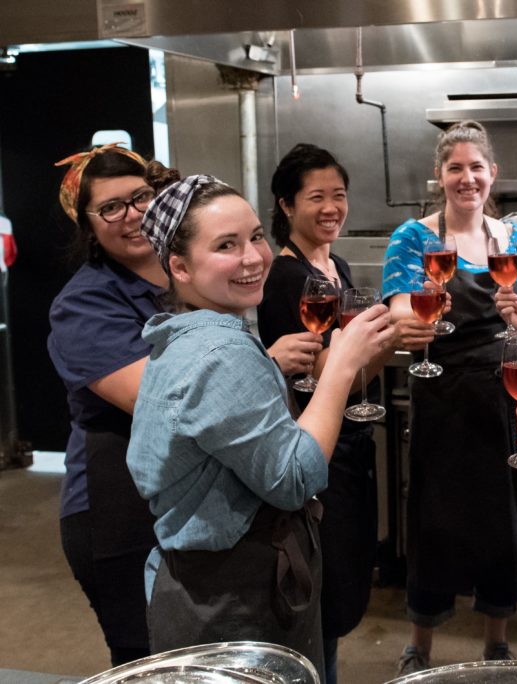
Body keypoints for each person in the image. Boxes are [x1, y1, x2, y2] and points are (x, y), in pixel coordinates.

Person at [127, 174, 392, 680]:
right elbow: (294, 479)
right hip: (233, 600)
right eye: (226, 245)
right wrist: (341, 365)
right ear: (179, 266)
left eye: (254, 236)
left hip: (197, 584)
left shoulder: (183, 336)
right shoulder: (221, 352)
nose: (253, 257)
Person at [383, 121, 517, 676]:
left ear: (492, 174)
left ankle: (496, 637)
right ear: (439, 176)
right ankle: (419, 642)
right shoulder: (414, 238)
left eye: (477, 167)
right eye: (456, 168)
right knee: (433, 518)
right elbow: (398, 308)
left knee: (502, 515)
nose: (466, 178)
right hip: (440, 387)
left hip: (500, 392)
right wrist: (420, 312)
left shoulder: (514, 240)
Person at [257, 143, 390, 684]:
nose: (332, 207)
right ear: (286, 205)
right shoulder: (282, 278)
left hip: (350, 442)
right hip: (314, 453)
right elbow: (313, 382)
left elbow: (354, 371)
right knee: (319, 598)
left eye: (339, 195)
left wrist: (379, 344)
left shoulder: (335, 265)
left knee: (341, 591)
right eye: (317, 197)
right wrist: (379, 338)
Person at [47, 143, 172, 666]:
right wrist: (265, 365)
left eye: (141, 197)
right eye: (111, 208)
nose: (134, 216)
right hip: (115, 504)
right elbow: (160, 400)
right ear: (88, 225)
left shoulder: (185, 273)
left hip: (180, 496)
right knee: (148, 659)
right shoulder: (84, 303)